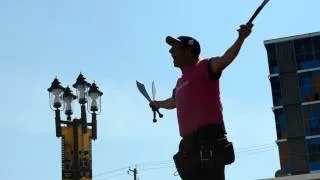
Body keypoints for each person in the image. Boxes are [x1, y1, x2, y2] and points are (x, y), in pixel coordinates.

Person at [149, 23, 253, 180]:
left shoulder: (206, 66)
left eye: (175, 47)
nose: (171, 51)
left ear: (190, 50)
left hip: (209, 141)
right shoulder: (179, 82)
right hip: (189, 147)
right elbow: (173, 102)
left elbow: (226, 59)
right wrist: (157, 104)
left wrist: (241, 38)